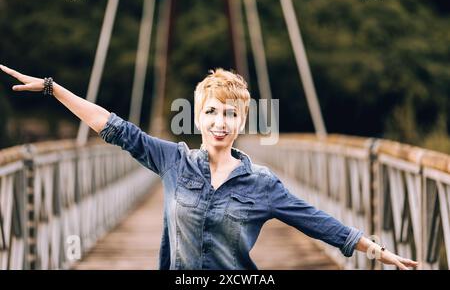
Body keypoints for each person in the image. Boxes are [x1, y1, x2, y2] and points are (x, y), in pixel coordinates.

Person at [0, 64, 418, 270]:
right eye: (213, 112)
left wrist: (377, 251)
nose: (221, 122)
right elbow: (114, 127)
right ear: (197, 116)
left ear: (241, 122)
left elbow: (318, 222)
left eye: (231, 114)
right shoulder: (173, 161)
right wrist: (53, 89)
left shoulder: (261, 184)